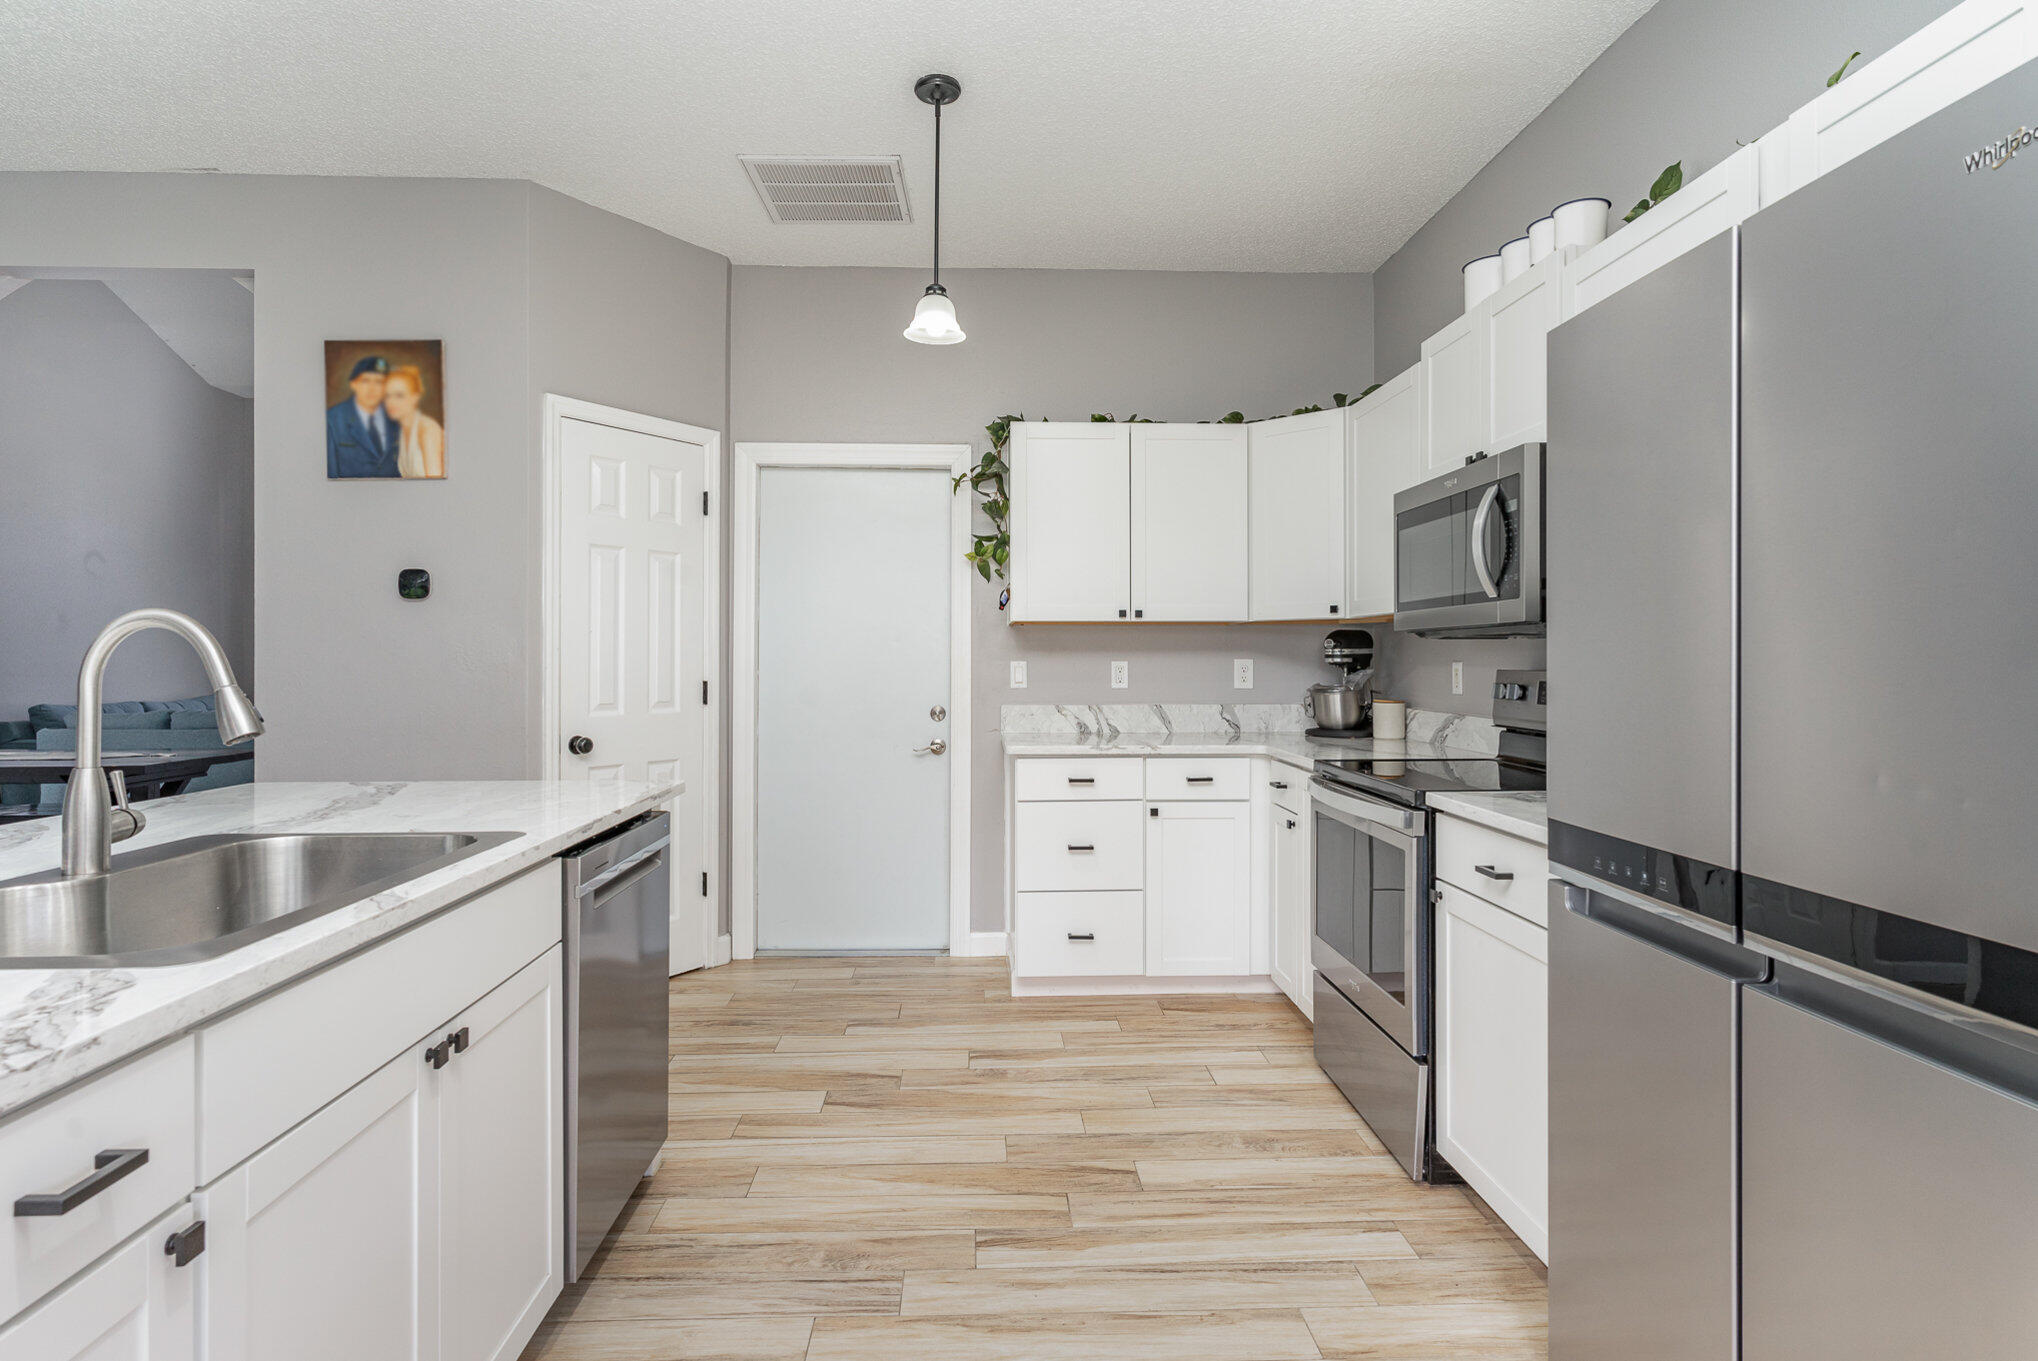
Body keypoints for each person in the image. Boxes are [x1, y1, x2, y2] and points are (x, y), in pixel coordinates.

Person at [326, 355, 399, 478]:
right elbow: (330, 475)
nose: (372, 389)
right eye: (365, 381)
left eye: (379, 382)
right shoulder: (332, 420)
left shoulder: (396, 417)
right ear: (353, 384)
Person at [383, 365, 445, 479]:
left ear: (415, 397)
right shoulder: (402, 431)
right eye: (387, 395)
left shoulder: (427, 430)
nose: (391, 402)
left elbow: (435, 485)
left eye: (399, 395)